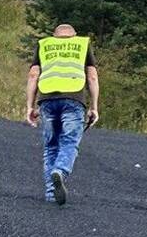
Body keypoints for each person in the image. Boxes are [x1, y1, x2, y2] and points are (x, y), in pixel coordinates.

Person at [25, 24, 99, 205]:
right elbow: (92, 77)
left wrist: (29, 106)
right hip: (74, 99)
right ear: (73, 35)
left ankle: (51, 194)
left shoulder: (45, 44)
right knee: (69, 141)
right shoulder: (82, 44)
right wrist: (94, 107)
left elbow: (33, 75)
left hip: (47, 100)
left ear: (55, 36)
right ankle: (61, 170)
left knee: (51, 146)